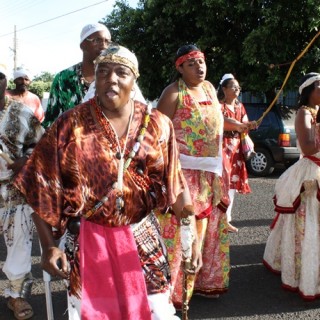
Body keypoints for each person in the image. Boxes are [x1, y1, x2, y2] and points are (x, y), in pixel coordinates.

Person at [14, 45, 201, 320]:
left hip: (142, 238)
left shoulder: (158, 125)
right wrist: (49, 246)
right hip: (87, 240)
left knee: (157, 311)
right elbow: (38, 186)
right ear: (96, 80)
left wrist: (191, 237)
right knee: (91, 312)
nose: (111, 79)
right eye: (103, 72)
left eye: (121, 72)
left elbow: (176, 184)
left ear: (133, 80)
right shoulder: (70, 125)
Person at [157, 45, 247, 308]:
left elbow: (217, 120)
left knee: (207, 232)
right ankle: (171, 293)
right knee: (180, 232)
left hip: (210, 175)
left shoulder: (209, 88)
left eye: (202, 62)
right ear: (180, 67)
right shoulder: (173, 93)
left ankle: (202, 283)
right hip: (182, 174)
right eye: (192, 63)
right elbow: (158, 134)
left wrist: (238, 126)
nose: (199, 67)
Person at [263, 72, 320, 300]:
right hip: (311, 172)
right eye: (319, 85)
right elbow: (307, 147)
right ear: (309, 91)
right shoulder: (304, 113)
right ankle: (305, 273)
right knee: (309, 224)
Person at [0, 63, 44, 319]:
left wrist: (25, 162)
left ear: (5, 89)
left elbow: (42, 145)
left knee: (19, 244)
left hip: (14, 190)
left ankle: (15, 296)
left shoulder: (21, 113)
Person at [43, 22, 111, 128]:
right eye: (97, 40)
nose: (103, 46)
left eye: (107, 42)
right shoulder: (62, 79)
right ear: (82, 45)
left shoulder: (114, 78)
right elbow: (51, 120)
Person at [217, 73, 252, 233]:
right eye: (233, 86)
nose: (237, 89)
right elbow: (219, 124)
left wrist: (249, 125)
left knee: (232, 183)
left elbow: (244, 124)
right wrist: (239, 126)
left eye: (238, 86)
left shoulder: (240, 106)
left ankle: (227, 219)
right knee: (222, 182)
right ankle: (219, 218)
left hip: (236, 148)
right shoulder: (219, 106)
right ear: (224, 89)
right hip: (223, 146)